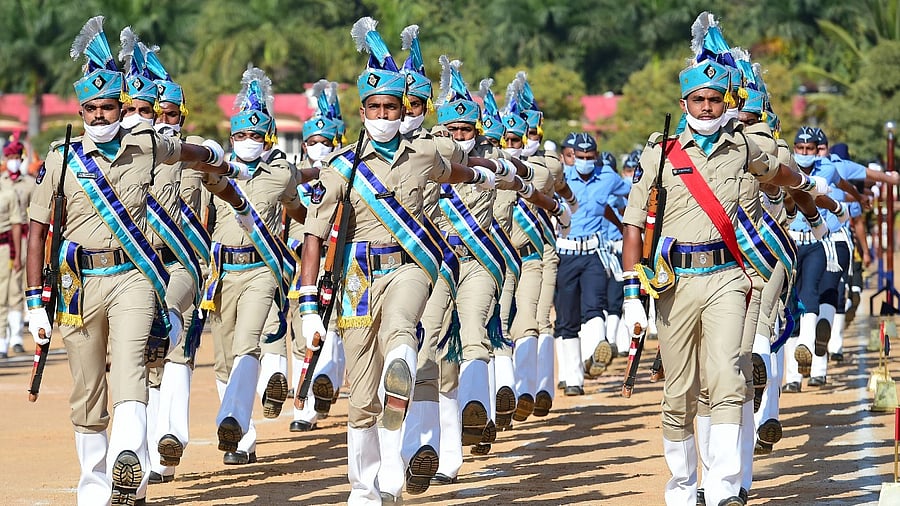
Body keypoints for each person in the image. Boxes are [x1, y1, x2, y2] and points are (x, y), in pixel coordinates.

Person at [26, 16, 242, 506]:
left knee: (129, 371)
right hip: (79, 284)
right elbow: (37, 230)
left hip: (134, 278)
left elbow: (184, 148)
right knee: (87, 391)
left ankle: (128, 462)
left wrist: (212, 154)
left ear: (120, 108)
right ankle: (96, 486)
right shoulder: (61, 159)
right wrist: (33, 300)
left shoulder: (144, 145)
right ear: (81, 109)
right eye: (92, 108)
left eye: (108, 107)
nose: (100, 115)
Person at [620, 20, 821, 503]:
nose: (707, 108)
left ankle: (726, 486)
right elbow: (632, 223)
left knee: (729, 375)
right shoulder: (661, 154)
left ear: (725, 102)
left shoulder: (744, 147)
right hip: (674, 284)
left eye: (715, 99)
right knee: (678, 394)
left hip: (728, 278)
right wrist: (631, 294)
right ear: (685, 102)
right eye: (698, 100)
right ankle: (685, 486)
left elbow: (782, 170)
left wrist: (808, 191)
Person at [299, 17, 497, 504]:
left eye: (394, 105)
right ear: (363, 110)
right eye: (377, 106)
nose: (386, 114)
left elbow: (465, 164)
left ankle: (403, 365)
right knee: (362, 399)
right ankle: (366, 488)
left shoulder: (426, 149)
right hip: (354, 280)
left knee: (403, 329)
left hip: (408, 267)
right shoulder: (342, 165)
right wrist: (307, 305)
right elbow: (314, 233)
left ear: (406, 107)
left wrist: (500, 173)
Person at [200, 64, 306, 466]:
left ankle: (234, 417)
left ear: (268, 139)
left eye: (254, 136)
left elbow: (297, 210)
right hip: (222, 272)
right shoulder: (217, 171)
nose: (246, 142)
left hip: (262, 268)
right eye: (240, 135)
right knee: (225, 355)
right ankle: (243, 438)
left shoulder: (280, 171)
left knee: (248, 343)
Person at [554, 133, 629, 395]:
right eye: (580, 157)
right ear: (572, 155)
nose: (585, 161)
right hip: (564, 252)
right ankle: (572, 377)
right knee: (566, 316)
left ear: (596, 156)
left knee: (595, 305)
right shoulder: (559, 177)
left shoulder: (608, 177)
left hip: (595, 251)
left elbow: (632, 193)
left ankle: (597, 353)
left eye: (590, 157)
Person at [0, 135, 30, 357]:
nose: (13, 160)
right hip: (4, 242)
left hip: (23, 240)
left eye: (16, 157)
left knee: (18, 288)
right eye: (9, 157)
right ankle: (3, 339)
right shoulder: (2, 183)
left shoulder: (29, 183)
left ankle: (17, 337)